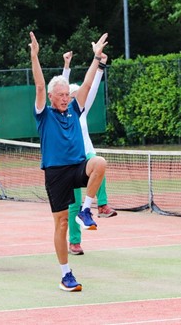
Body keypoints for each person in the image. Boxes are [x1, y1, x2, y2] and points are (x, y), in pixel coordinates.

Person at [29, 31, 108, 292]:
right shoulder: (44, 114)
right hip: (55, 173)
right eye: (61, 95)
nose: (65, 98)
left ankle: (86, 209)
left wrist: (97, 57)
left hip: (76, 166)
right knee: (61, 222)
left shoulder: (75, 108)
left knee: (100, 163)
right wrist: (34, 56)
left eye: (67, 94)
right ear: (52, 97)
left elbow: (85, 85)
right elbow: (40, 85)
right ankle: (65, 274)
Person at [61, 50, 117, 256]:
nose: (73, 99)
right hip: (68, 163)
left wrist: (101, 66)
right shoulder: (60, 115)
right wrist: (66, 67)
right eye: (69, 96)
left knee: (98, 163)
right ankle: (74, 242)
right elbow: (62, 88)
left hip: (87, 158)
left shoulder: (81, 112)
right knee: (73, 206)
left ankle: (101, 205)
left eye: (75, 96)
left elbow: (91, 87)